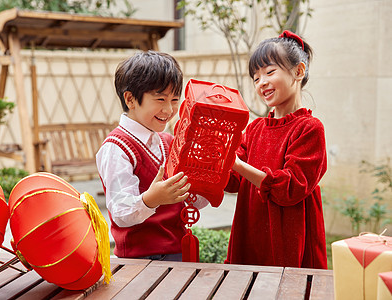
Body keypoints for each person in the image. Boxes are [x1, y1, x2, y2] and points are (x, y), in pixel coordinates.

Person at [225, 30, 327, 269]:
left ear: (298, 72)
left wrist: (237, 165)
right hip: (250, 230)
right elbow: (233, 181)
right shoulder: (254, 128)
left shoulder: (310, 128)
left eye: (270, 72)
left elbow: (291, 187)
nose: (262, 83)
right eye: (256, 78)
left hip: (289, 237)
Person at [96, 50, 207, 261]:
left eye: (175, 99)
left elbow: (191, 200)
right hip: (140, 260)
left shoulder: (169, 142)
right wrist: (152, 199)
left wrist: (205, 178)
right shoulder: (117, 148)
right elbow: (121, 213)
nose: (169, 109)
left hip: (177, 251)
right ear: (130, 99)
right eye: (160, 99)